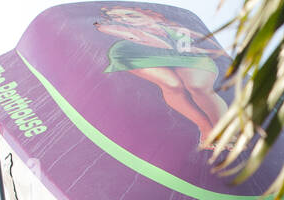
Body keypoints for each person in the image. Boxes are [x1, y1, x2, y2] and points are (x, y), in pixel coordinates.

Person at [95, 6, 231, 150]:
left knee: (197, 85)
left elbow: (210, 46)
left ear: (146, 13)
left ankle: (224, 131)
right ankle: (206, 129)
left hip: (185, 56)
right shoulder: (117, 28)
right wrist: (132, 31)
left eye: (129, 14)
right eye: (119, 18)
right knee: (173, 85)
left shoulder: (178, 28)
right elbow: (136, 38)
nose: (125, 19)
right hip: (137, 54)